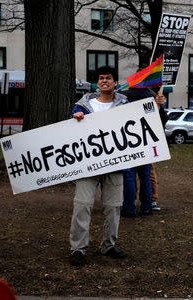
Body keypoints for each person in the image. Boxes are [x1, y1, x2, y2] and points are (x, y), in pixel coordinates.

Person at [69, 66, 128, 267]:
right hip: (88, 165)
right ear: (97, 83)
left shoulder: (126, 105)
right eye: (101, 78)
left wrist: (158, 107)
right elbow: (69, 133)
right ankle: (78, 248)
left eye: (108, 78)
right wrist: (75, 119)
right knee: (82, 205)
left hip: (116, 165)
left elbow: (149, 122)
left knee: (113, 207)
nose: (104, 81)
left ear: (115, 83)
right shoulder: (83, 106)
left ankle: (109, 245)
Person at [119, 87, 156, 217]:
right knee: (145, 176)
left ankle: (129, 207)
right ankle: (146, 206)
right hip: (145, 140)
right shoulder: (152, 95)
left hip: (128, 140)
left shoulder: (123, 95)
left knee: (129, 176)